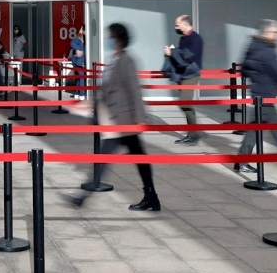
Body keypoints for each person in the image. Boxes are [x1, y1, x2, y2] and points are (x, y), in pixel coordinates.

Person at [62, 23, 161, 211]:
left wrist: (140, 119)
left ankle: (82, 197)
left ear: (120, 39)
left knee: (112, 157)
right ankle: (151, 197)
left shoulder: (126, 61)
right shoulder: (114, 60)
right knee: (137, 159)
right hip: (116, 120)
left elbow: (134, 90)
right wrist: (90, 104)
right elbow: (106, 90)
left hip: (124, 121)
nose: (109, 40)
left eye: (111, 36)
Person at [234, 19, 277, 173]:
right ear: (268, 32)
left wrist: (257, 76)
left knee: (257, 130)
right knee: (276, 129)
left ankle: (241, 161)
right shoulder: (267, 51)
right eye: (276, 33)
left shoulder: (253, 46)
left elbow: (244, 70)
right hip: (265, 95)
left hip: (259, 93)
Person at [163, 15, 203, 145]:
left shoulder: (195, 39)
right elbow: (181, 56)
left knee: (184, 103)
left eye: (177, 25)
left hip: (190, 75)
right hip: (183, 74)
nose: (176, 27)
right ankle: (193, 132)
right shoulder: (183, 38)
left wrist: (172, 52)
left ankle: (193, 133)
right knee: (185, 103)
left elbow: (188, 57)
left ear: (185, 24)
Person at [69, 27, 86, 100]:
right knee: (81, 77)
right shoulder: (80, 39)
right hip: (79, 62)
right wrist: (80, 49)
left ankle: (77, 93)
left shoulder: (82, 39)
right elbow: (72, 43)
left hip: (77, 61)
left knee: (79, 78)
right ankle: (81, 94)